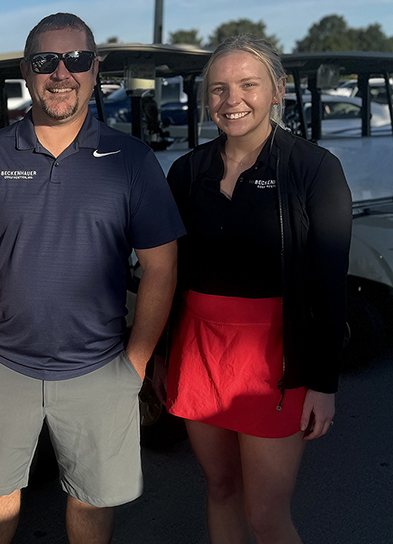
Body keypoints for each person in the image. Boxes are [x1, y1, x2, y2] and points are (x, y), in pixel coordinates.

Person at [0, 13, 185, 544]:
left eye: (76, 60)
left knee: (91, 501)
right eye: (46, 61)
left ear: (96, 69)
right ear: (27, 71)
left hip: (100, 370)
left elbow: (161, 268)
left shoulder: (132, 161)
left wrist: (135, 365)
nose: (61, 73)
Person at [161, 35, 351, 543]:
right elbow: (168, 273)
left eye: (248, 85)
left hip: (276, 361)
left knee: (266, 513)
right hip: (199, 351)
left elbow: (331, 284)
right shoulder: (187, 172)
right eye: (219, 89)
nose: (233, 100)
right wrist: (159, 355)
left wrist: (325, 384)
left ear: (277, 91)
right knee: (221, 488)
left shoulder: (314, 168)